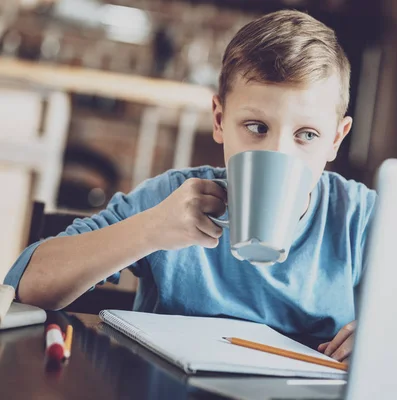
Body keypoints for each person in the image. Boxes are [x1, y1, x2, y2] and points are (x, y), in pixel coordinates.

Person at [4, 10, 376, 363]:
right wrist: (150, 230)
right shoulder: (174, 199)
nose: (278, 153)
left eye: (306, 135)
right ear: (219, 120)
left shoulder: (358, 219)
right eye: (257, 127)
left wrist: (381, 336)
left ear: (335, 140)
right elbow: (28, 286)